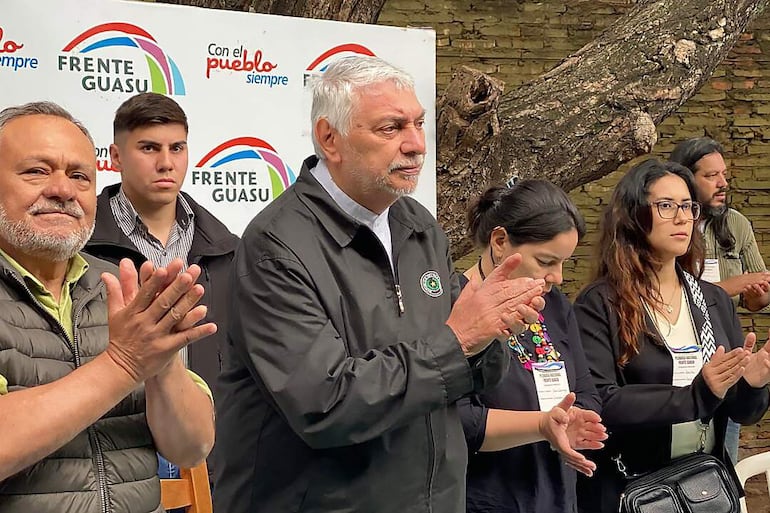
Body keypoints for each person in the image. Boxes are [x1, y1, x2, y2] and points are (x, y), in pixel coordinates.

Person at [213, 55, 548, 513]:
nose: (416, 145)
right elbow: (325, 404)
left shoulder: (417, 224)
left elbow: (470, 375)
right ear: (330, 138)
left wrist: (492, 331)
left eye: (418, 124)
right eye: (391, 128)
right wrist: (461, 339)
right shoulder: (277, 245)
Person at [0, 101, 216, 513]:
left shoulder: (125, 286)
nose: (63, 190)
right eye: (36, 171)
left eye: (79, 176)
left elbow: (191, 448)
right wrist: (124, 363)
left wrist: (162, 362)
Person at [573, 158, 770, 513]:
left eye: (688, 207)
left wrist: (753, 383)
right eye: (666, 205)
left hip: (704, 488)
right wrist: (696, 395)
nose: (682, 218)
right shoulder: (601, 302)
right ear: (633, 215)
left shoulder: (711, 300)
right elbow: (601, 402)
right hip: (632, 489)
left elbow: (740, 411)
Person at [84, 93, 238, 480]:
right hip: (117, 456)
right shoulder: (80, 246)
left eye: (177, 147)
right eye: (149, 148)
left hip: (208, 452)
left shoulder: (228, 249)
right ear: (116, 157)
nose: (166, 162)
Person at [460, 181, 606, 513]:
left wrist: (575, 418)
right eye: (545, 261)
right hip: (486, 497)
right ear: (500, 242)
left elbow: (585, 388)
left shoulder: (553, 305)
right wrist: (541, 426)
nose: (558, 276)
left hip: (553, 492)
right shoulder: (456, 306)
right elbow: (456, 421)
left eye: (564, 263)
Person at [670, 137, 770, 463]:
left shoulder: (736, 223)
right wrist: (734, 284)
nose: (723, 183)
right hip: (678, 356)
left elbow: (756, 298)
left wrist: (758, 295)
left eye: (723, 174)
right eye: (711, 176)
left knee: (723, 447)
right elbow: (674, 290)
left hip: (725, 349)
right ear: (686, 178)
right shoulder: (673, 227)